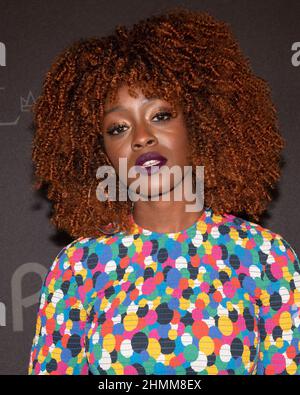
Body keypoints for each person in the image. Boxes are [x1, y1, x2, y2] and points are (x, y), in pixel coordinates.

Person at [28, 6, 300, 375]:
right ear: (100, 153)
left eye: (160, 115)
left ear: (200, 122)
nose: (142, 137)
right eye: (118, 128)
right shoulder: (78, 268)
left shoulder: (266, 259)